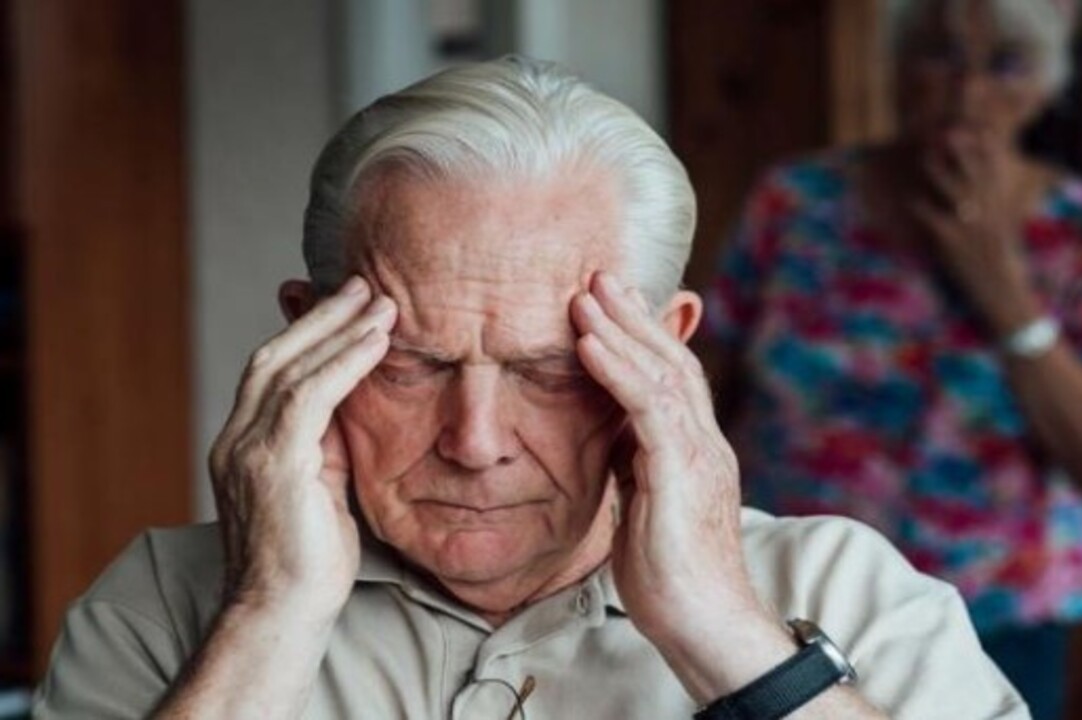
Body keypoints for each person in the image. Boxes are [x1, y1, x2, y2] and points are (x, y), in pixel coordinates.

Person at [33, 56, 1026, 719]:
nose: (475, 441)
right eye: (409, 364)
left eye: (548, 371)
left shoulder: (850, 594)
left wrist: (722, 628)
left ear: (666, 354)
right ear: (306, 338)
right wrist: (269, 615)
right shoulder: (166, 605)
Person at [701, 2, 1082, 719]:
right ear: (896, 67)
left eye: (1006, 63)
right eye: (939, 56)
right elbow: (704, 387)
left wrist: (1002, 292)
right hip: (787, 594)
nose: (968, 91)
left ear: (1047, 86)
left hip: (1000, 619)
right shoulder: (795, 204)